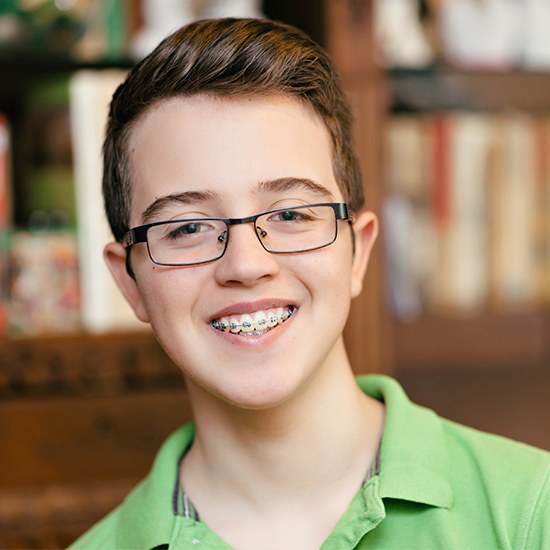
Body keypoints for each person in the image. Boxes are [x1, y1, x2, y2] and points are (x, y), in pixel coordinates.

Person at [70, 17, 550, 550]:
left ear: (358, 252)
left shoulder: (531, 511)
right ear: (130, 281)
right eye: (187, 227)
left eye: (292, 215)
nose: (246, 265)